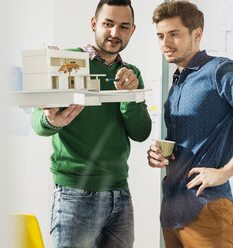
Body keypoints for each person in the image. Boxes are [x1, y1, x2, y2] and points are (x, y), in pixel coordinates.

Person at [147, 1, 233, 248]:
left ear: (197, 34)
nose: (165, 43)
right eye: (160, 36)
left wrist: (225, 172)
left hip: (205, 209)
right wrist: (158, 155)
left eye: (174, 34)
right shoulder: (177, 81)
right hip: (171, 212)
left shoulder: (221, 71)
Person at [31, 0, 151, 247]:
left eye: (123, 26)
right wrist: (49, 120)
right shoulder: (68, 61)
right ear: (94, 24)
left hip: (120, 195)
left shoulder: (131, 74)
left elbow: (141, 133)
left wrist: (129, 96)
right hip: (75, 194)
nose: (115, 33)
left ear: (132, 30)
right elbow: (37, 120)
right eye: (108, 24)